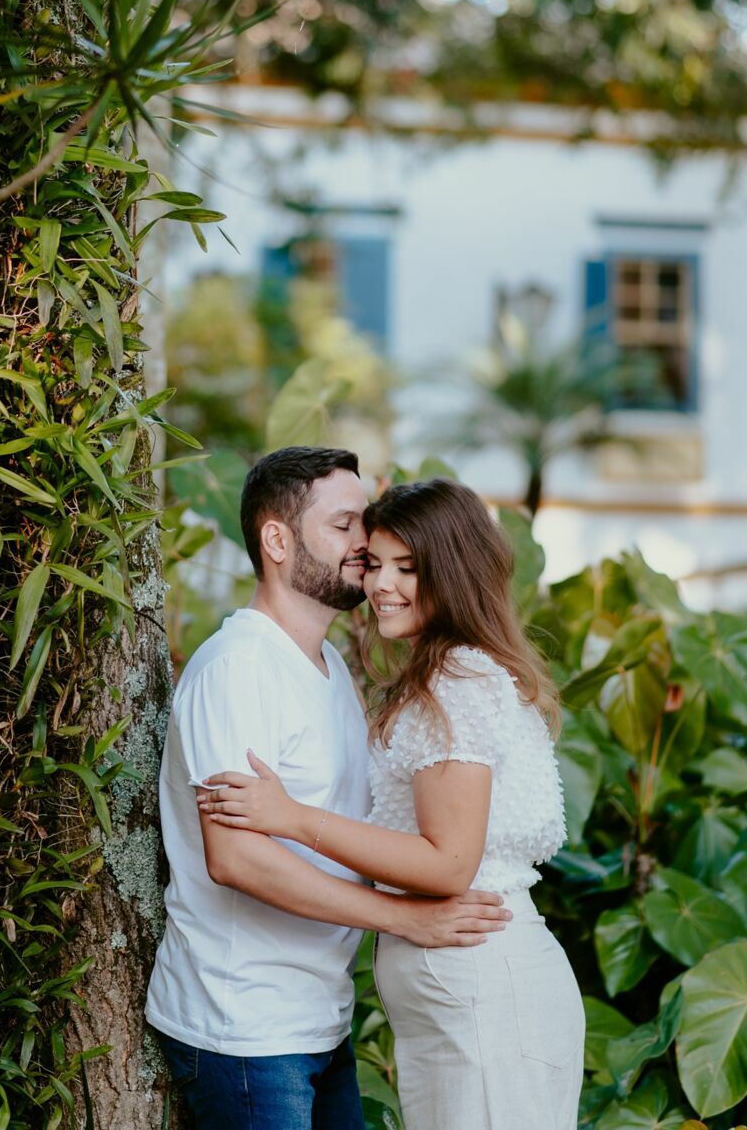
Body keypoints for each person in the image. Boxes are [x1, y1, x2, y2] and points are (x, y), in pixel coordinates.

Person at [199, 476, 584, 1130]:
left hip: (486, 993)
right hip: (458, 1000)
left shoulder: (458, 682)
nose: (380, 585)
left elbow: (447, 866)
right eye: (373, 563)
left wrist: (292, 818)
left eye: (408, 568)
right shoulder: (438, 676)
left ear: (453, 571)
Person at [145, 449, 513, 1130]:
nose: (363, 544)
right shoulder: (239, 669)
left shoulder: (329, 669)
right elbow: (237, 858)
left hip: (317, 1017)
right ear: (276, 540)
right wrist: (407, 919)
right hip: (243, 1026)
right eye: (343, 525)